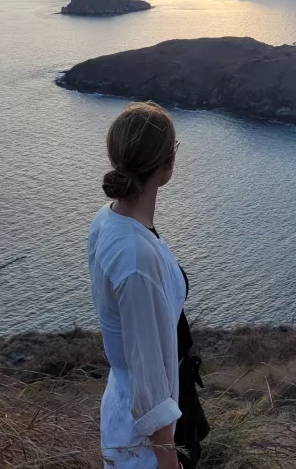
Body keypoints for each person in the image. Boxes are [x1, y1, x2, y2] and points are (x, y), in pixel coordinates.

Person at [88, 101, 207, 469]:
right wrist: (168, 460)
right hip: (147, 444)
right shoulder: (137, 257)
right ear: (168, 162)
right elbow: (148, 371)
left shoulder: (109, 221)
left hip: (134, 411)